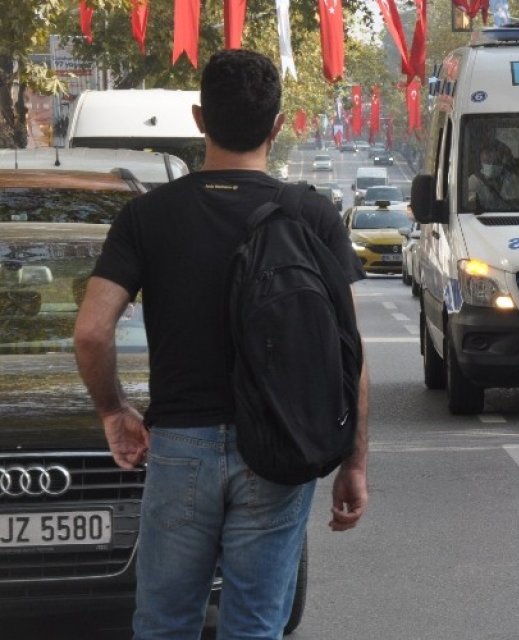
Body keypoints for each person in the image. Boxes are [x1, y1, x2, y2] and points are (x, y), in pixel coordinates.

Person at [73, 50, 369, 638]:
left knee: (165, 622)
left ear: (198, 118)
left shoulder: (146, 216)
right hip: (281, 447)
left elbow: (91, 330)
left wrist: (113, 409)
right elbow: (349, 356)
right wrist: (354, 462)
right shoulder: (313, 216)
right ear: (279, 124)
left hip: (180, 444)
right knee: (256, 624)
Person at [467, 139, 519, 211]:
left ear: (503, 159)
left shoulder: (518, 184)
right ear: (480, 157)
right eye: (487, 153)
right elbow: (468, 211)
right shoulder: (472, 183)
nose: (492, 158)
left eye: (496, 159)